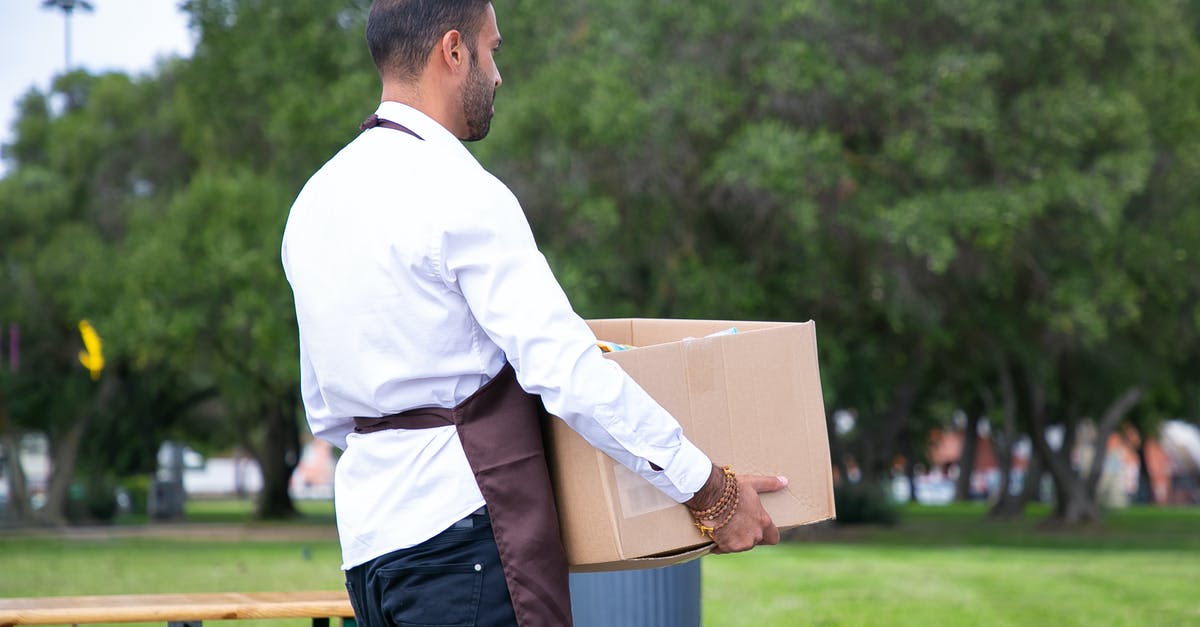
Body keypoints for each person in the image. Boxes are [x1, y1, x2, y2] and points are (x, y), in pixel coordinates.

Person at [280, 1, 787, 625]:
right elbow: (568, 372)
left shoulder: (312, 205)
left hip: (369, 550)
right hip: (465, 540)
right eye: (493, 50)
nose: (497, 75)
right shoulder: (460, 190)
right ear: (454, 50)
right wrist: (710, 490)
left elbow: (325, 410)